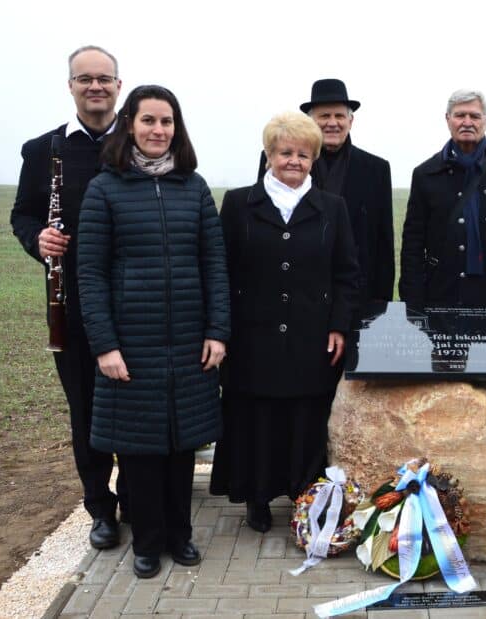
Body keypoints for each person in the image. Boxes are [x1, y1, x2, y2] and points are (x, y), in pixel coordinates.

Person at [77, 85, 230, 578]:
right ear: (130, 125)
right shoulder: (105, 188)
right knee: (139, 450)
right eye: (148, 120)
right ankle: (147, 542)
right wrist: (105, 345)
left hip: (188, 341)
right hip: (131, 344)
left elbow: (214, 265)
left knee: (182, 445)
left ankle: (180, 535)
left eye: (167, 121)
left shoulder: (194, 187)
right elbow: (91, 274)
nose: (158, 130)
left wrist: (217, 330)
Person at [209, 112, 360, 533]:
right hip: (252, 335)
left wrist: (339, 325)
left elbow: (347, 273)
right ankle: (257, 497)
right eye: (285, 152)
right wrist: (221, 329)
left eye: (303, 155)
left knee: (305, 417)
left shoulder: (332, 208)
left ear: (314, 160)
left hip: (312, 335)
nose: (294, 161)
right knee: (256, 419)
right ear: (269, 155)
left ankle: (303, 496)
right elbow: (221, 270)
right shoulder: (239, 203)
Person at [10, 45, 128, 551]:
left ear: (119, 85)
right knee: (86, 409)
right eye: (85, 79)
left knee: (136, 407)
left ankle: (140, 498)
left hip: (134, 301)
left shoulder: (142, 140)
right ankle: (100, 507)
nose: (95, 86)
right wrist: (37, 239)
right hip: (72, 304)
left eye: (104, 78)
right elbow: (23, 214)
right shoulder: (42, 150)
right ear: (71, 86)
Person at [398, 89, 486, 321]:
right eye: (460, 115)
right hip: (441, 291)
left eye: (475, 116)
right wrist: (412, 298)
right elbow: (413, 242)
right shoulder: (425, 173)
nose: (467, 122)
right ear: (448, 119)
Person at [256, 79, 393, 304]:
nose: (332, 123)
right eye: (324, 116)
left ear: (351, 121)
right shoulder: (282, 163)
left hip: (356, 294)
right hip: (293, 293)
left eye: (339, 116)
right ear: (310, 122)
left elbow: (383, 243)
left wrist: (382, 302)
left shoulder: (376, 169)